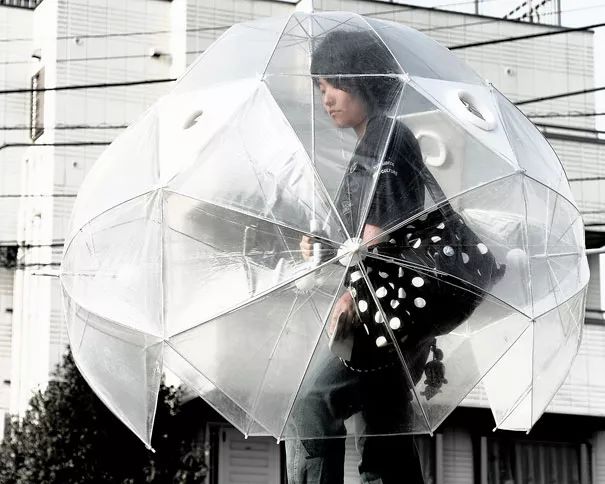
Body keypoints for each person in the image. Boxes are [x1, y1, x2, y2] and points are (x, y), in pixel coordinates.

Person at [285, 29, 432, 484]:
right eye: (320, 88)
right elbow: (366, 236)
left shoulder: (385, 139)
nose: (327, 99)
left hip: (383, 313)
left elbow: (378, 236)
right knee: (385, 441)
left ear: (364, 81)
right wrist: (325, 245)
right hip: (398, 317)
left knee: (314, 404)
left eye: (335, 84)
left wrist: (349, 292)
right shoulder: (377, 142)